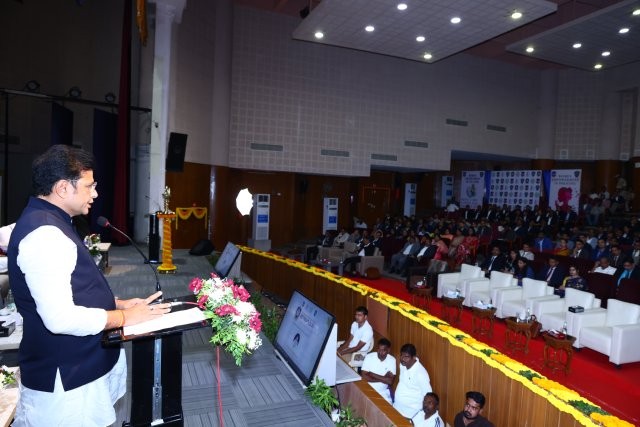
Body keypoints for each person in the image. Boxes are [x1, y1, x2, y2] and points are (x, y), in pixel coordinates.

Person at [7, 145, 171, 426]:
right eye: (89, 186)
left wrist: (118, 304)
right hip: (66, 379)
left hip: (76, 367)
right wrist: (124, 318)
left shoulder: (51, 221)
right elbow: (60, 318)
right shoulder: (45, 234)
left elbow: (68, 288)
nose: (95, 194)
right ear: (62, 188)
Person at [393, 343, 432, 418]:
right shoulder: (403, 365)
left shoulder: (421, 374)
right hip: (397, 409)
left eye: (406, 357)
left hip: (410, 415)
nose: (402, 359)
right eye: (401, 355)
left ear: (414, 357)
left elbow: (429, 397)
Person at [360, 338, 396, 403]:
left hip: (383, 392)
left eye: (383, 350)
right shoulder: (369, 357)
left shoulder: (392, 360)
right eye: (379, 349)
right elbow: (364, 377)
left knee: (387, 407)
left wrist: (372, 374)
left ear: (388, 350)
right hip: (367, 389)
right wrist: (384, 378)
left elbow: (390, 381)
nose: (380, 352)